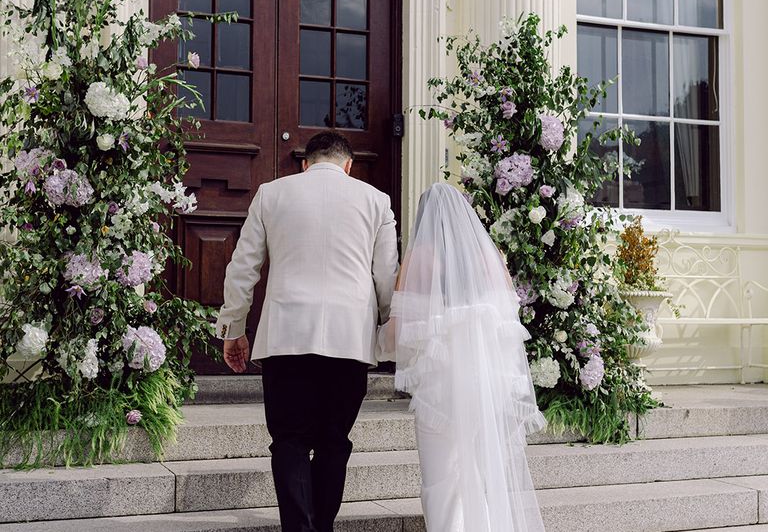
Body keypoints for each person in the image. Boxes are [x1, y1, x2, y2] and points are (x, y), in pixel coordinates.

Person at [216, 131, 399, 532]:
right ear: (348, 166)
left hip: (286, 336)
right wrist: (388, 325)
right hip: (349, 339)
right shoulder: (376, 201)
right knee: (334, 440)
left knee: (290, 439)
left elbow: (243, 267)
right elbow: (386, 276)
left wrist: (235, 328)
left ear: (305, 164)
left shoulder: (271, 193)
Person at [378, 183, 546, 531]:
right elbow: (509, 322)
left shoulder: (421, 256)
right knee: (485, 475)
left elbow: (397, 333)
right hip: (489, 385)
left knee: (441, 482)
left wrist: (377, 342)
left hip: (442, 392)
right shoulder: (489, 256)